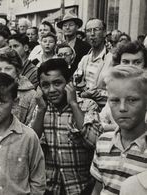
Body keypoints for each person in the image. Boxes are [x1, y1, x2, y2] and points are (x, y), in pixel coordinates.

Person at [30, 58, 102, 195]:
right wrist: (40, 111)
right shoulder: (41, 109)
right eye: (45, 85)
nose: (51, 90)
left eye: (57, 83)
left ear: (69, 83)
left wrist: (74, 104)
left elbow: (94, 141)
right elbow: (31, 144)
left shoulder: (87, 106)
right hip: (50, 188)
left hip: (81, 187)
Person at [90, 65, 147, 195]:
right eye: (115, 100)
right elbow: (98, 189)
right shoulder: (103, 141)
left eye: (132, 100)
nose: (122, 108)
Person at [100, 40, 147, 132]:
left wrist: (111, 127)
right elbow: (101, 121)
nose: (131, 66)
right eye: (125, 62)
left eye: (137, 62)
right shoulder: (116, 90)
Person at [73, 18, 112, 109]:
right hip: (83, 107)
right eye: (89, 31)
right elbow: (76, 84)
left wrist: (96, 94)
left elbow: (117, 92)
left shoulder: (112, 59)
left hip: (104, 109)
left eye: (96, 29)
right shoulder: (85, 59)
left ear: (104, 32)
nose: (92, 34)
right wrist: (83, 94)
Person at [0, 48, 37, 125]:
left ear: (17, 70)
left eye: (8, 69)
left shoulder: (31, 94)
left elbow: (31, 124)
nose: (3, 73)